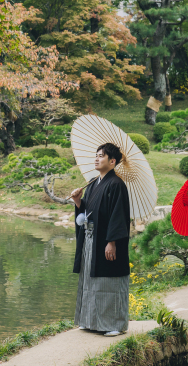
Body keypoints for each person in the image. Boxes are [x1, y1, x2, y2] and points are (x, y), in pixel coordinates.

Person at [69, 142, 131, 337]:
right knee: (89, 281)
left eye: (101, 156)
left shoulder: (116, 184)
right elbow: (90, 211)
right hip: (91, 240)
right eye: (96, 155)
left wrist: (112, 241)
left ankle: (114, 324)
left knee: (108, 282)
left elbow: (117, 216)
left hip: (106, 241)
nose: (97, 158)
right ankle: (90, 321)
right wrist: (79, 202)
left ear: (112, 162)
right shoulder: (94, 183)